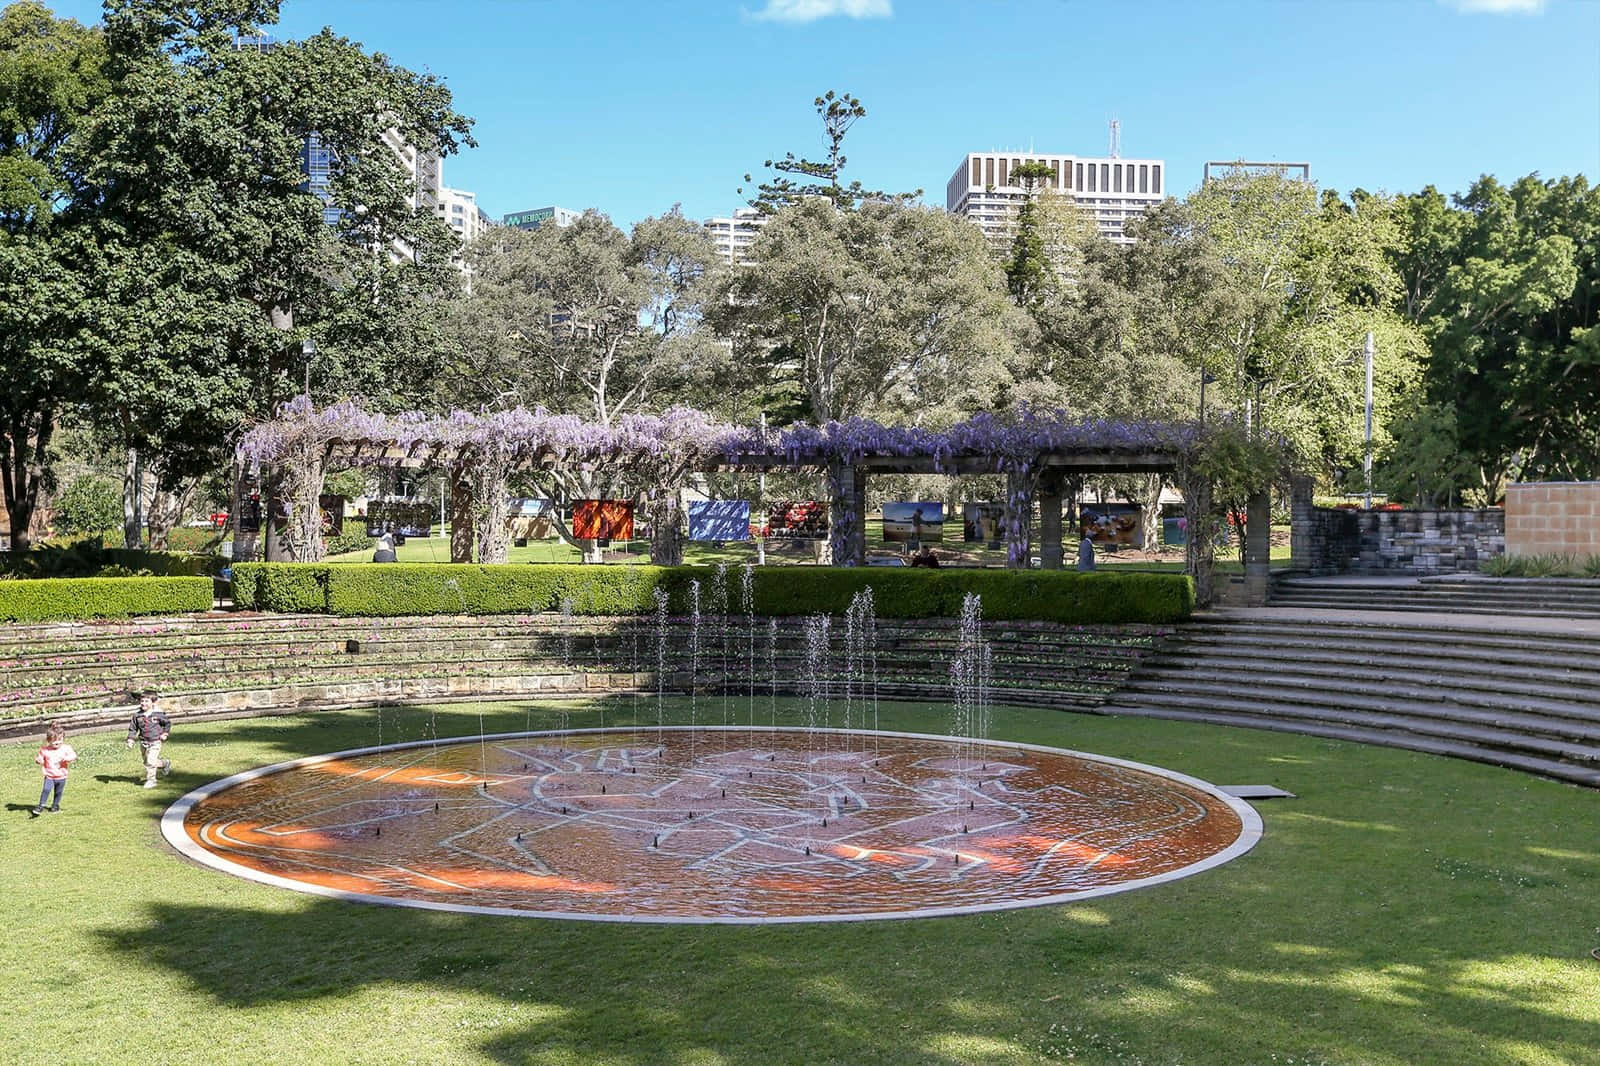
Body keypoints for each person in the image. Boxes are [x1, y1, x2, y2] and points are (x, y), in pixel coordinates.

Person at [127, 690, 172, 789]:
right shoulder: (137, 715)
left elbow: (167, 724)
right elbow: (133, 728)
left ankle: (151, 780)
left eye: (146, 701)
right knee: (147, 761)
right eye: (142, 701)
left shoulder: (158, 714)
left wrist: (165, 733)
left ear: (153, 702)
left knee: (151, 762)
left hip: (155, 741)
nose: (143, 703)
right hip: (143, 742)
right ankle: (165, 763)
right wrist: (131, 739)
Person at [32, 722, 76, 816]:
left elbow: (73, 755)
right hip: (49, 775)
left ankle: (55, 806)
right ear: (49, 740)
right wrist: (38, 760)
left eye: (60, 740)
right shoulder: (45, 750)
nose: (57, 742)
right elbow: (40, 757)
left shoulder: (66, 748)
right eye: (54, 740)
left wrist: (68, 758)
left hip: (61, 776)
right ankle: (41, 806)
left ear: (63, 738)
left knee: (58, 792)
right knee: (46, 789)